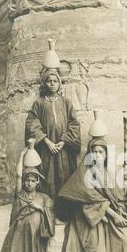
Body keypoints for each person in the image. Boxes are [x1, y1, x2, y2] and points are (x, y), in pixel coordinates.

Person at [25, 69, 81, 200]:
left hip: (63, 149)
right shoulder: (39, 103)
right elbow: (32, 125)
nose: (52, 84)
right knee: (48, 176)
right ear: (44, 83)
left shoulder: (66, 102)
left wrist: (63, 141)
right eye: (49, 81)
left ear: (59, 83)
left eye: (55, 81)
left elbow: (74, 124)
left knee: (64, 175)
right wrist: (48, 142)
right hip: (47, 148)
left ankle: (63, 210)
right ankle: (48, 207)